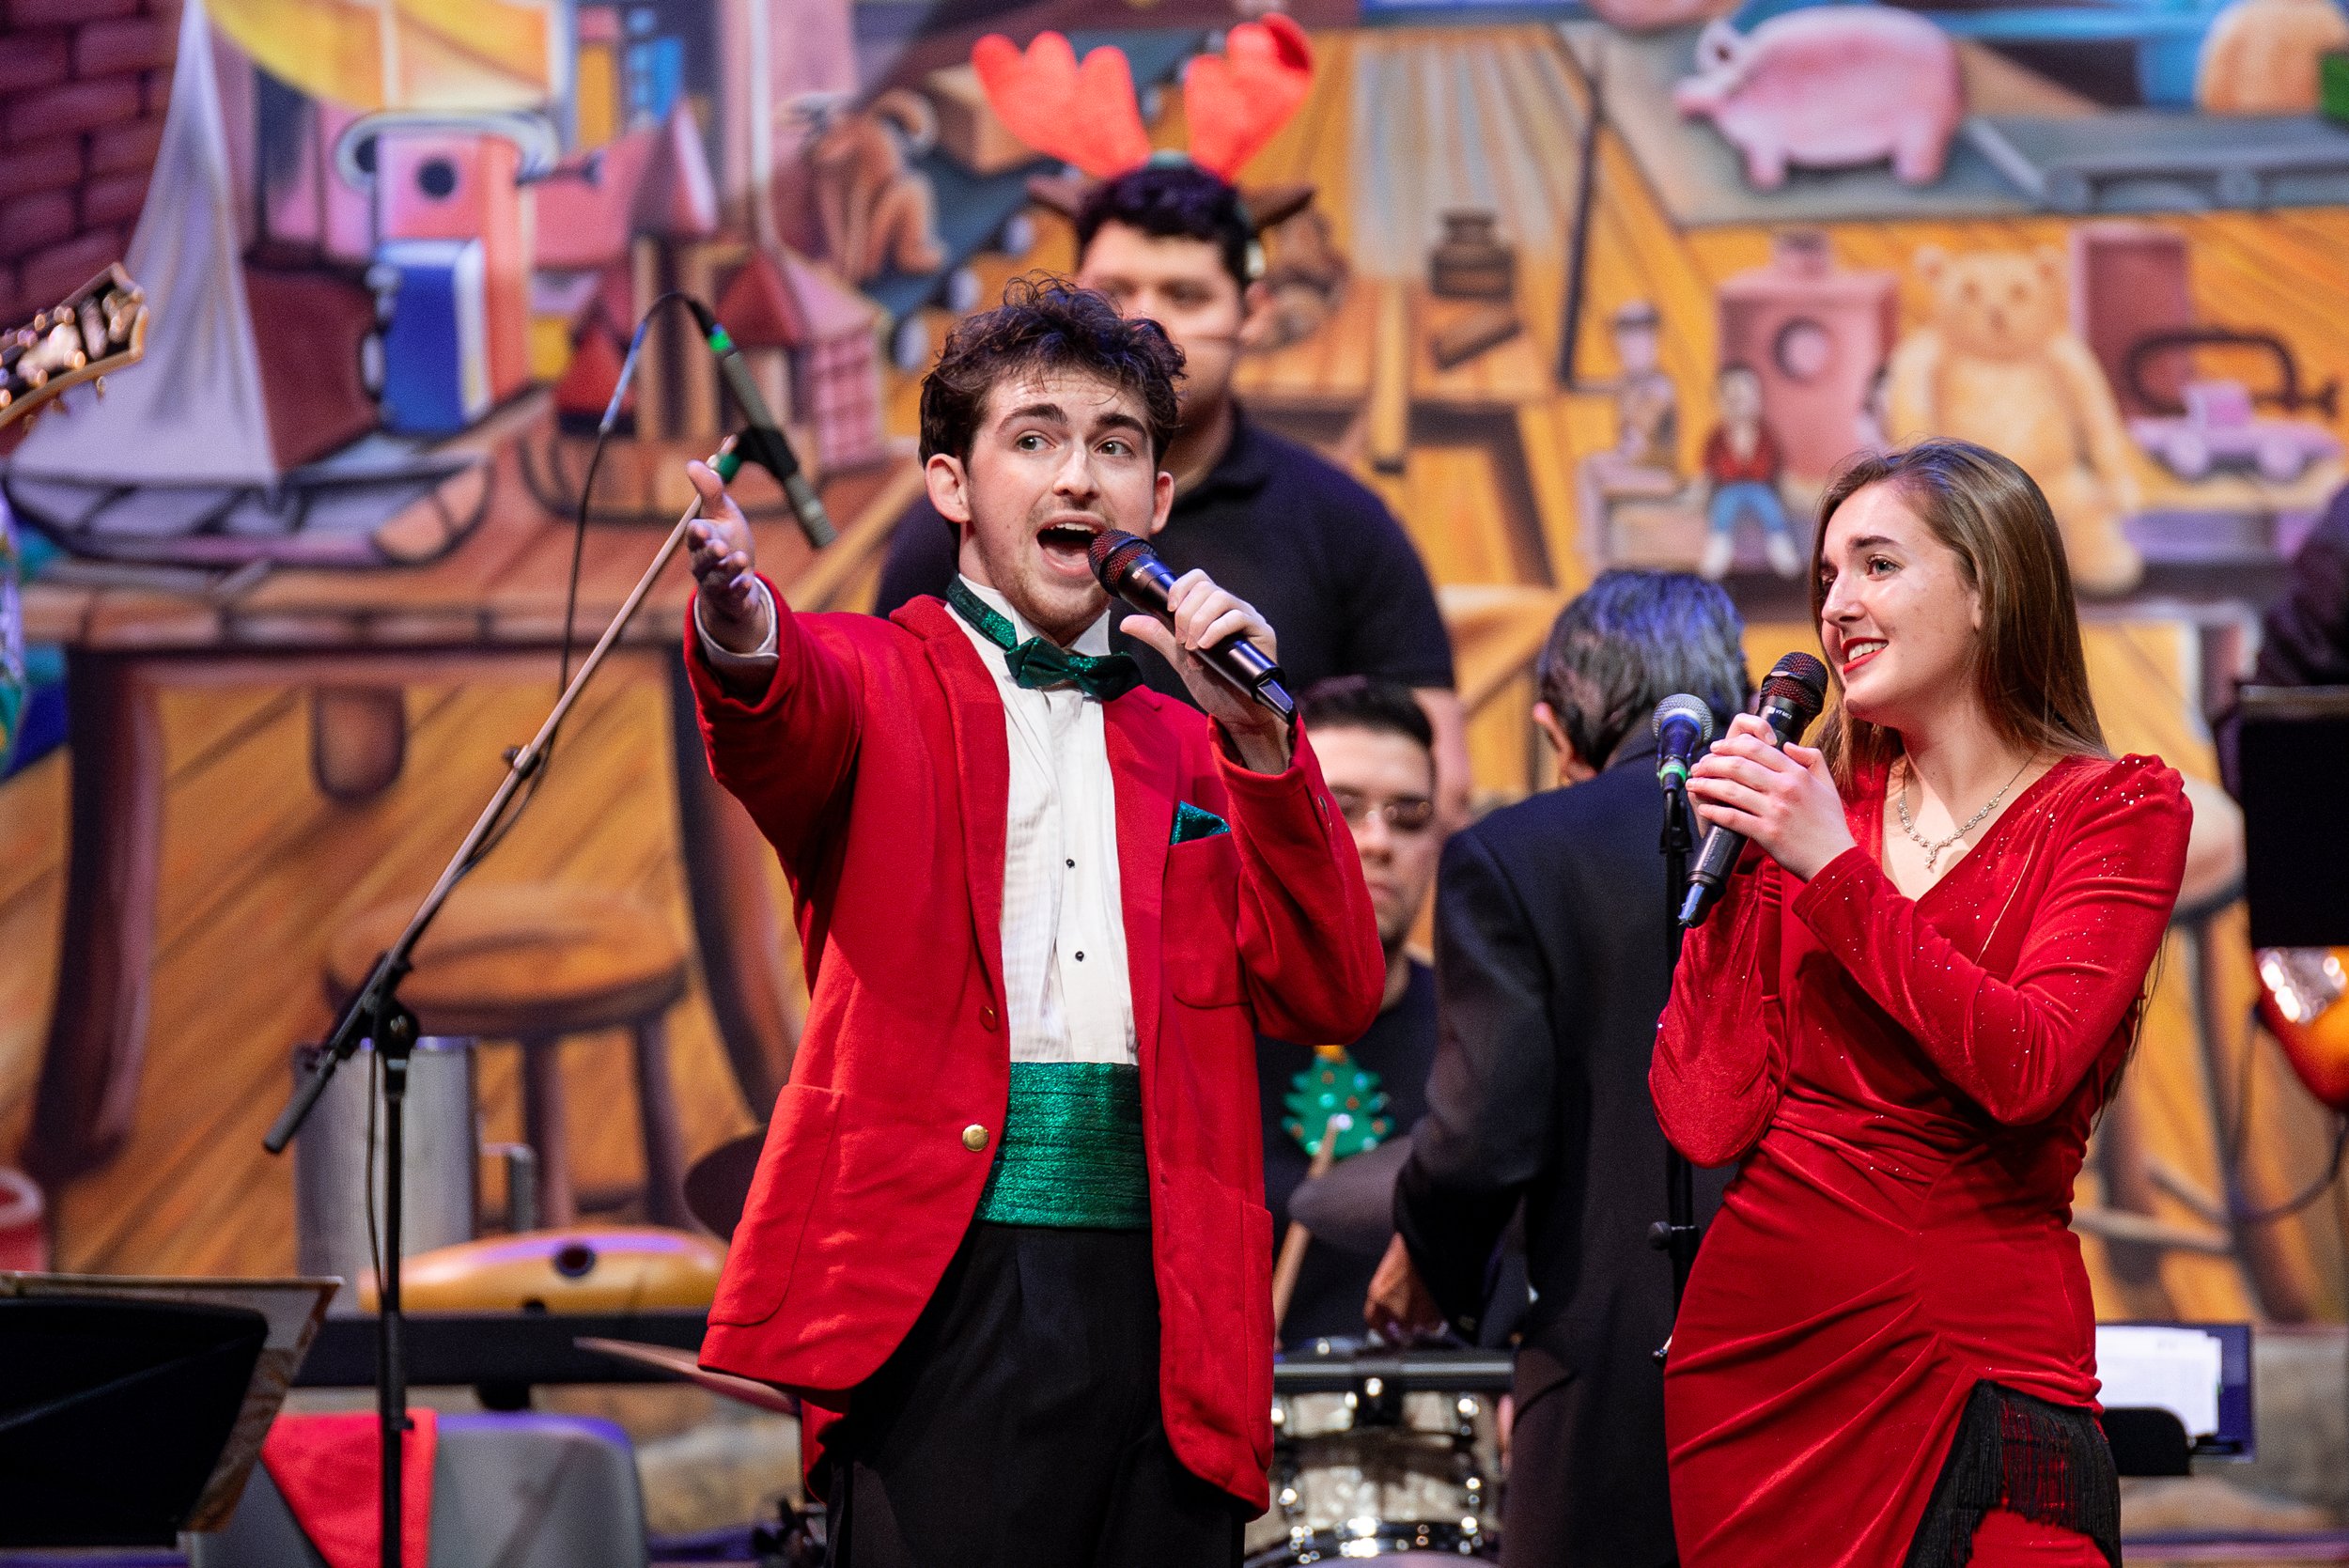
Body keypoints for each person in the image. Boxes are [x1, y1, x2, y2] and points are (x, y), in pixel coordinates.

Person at [682, 277, 1386, 1565]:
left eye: (1116, 447)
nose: (1082, 477)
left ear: (1158, 505)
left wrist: (1267, 746)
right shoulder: (877, 673)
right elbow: (778, 710)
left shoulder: (1196, 743)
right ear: (952, 484)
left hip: (1171, 1305)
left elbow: (1335, 989)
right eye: (1036, 438)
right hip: (942, 1286)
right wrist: (739, 620)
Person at [1655, 438, 2190, 1568]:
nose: (1836, 605)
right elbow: (1703, 1116)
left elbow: (2026, 1065)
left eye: (1877, 565)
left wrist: (1830, 871)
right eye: (1825, 577)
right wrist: (1743, 867)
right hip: (1760, 1367)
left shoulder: (2114, 809)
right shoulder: (1812, 801)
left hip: (1983, 1353)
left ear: (1987, 586)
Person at [872, 163, 1470, 825]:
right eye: (1116, 290)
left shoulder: (1343, 525)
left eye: (1185, 295)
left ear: (1253, 311)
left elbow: (1433, 779)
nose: (1147, 322)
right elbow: (882, 744)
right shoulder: (966, 523)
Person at [1364, 570, 1748, 1568]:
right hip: (1823, 1369)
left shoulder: (1516, 854)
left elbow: (1482, 1133)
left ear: (1556, 726)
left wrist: (1428, 1264)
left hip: (1605, 1381)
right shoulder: (1836, 840)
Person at [1257, 675, 1444, 1347]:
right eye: (1344, 806)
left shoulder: (1481, 1027)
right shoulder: (1204, 1024)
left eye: (1409, 814)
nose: (1378, 841)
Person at [1574, 300, 1682, 573]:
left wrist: (1628, 391)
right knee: (1589, 468)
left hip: (1658, 473)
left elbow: (1646, 425)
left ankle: (1597, 552)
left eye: (1640, 340)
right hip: (1633, 467)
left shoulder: (1660, 385)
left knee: (1594, 472)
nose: (1631, 349)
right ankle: (1594, 543)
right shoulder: (1628, 382)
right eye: (1626, 341)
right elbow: (1590, 387)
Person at [1698, 364, 1800, 582]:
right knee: (1724, 505)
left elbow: (1776, 468)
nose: (1738, 403)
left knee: (1768, 505)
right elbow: (1708, 471)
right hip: (1729, 489)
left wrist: (1786, 489)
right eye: (1730, 397)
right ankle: (1720, 543)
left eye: (1745, 395)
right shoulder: (1717, 437)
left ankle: (1779, 541)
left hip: (1760, 488)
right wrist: (1701, 492)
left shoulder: (1766, 435)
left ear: (1758, 399)